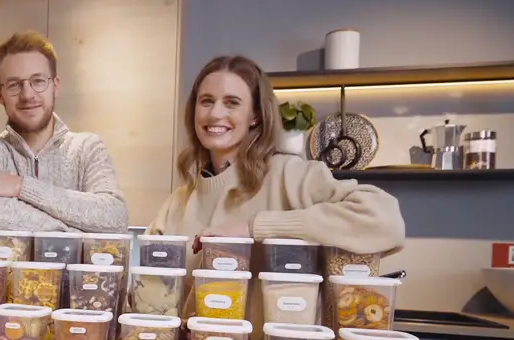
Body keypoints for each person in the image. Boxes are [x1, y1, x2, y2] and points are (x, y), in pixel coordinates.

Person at [146, 55, 406, 321]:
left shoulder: (291, 176)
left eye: (232, 103)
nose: (215, 113)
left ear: (255, 116)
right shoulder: (178, 202)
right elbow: (153, 297)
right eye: (207, 101)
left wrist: (255, 227)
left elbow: (385, 220)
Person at [0, 30, 129, 233]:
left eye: (38, 81)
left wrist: (20, 186)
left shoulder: (88, 148)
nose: (28, 94)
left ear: (55, 86)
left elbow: (115, 217)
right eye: (14, 85)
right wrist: (76, 232)